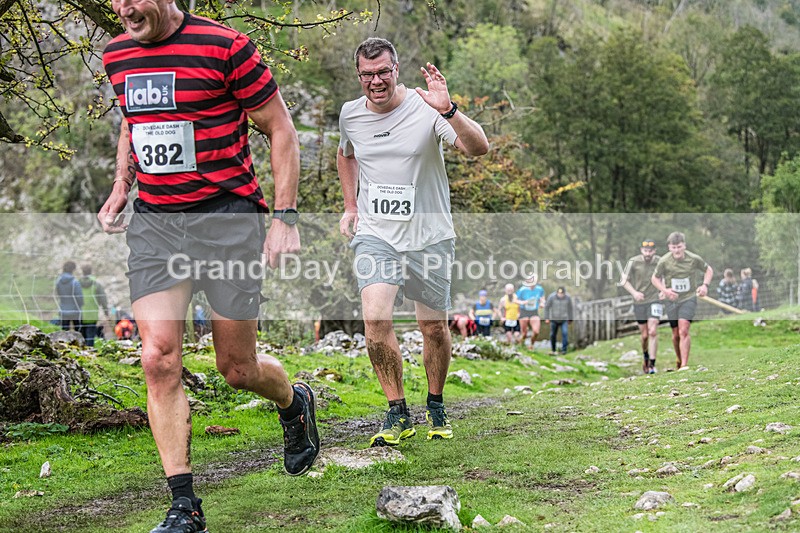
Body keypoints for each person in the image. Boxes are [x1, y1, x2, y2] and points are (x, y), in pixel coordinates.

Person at [99, 1, 319, 530]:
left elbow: (281, 128)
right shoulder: (116, 55)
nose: (125, 6)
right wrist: (122, 185)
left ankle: (293, 402)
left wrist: (284, 216)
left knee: (237, 368)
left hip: (226, 222)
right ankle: (183, 506)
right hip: (155, 226)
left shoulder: (227, 47)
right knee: (158, 357)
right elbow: (133, 121)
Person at [337, 37, 488, 447]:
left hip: (430, 236)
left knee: (433, 327)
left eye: (383, 72)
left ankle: (435, 403)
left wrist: (450, 110)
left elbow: (478, 148)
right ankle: (397, 411)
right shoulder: (350, 114)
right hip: (376, 235)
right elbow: (346, 154)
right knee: (376, 321)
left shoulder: (426, 107)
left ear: (396, 69)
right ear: (359, 76)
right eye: (367, 75)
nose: (376, 81)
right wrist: (351, 205)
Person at [651, 232, 713, 370]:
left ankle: (684, 365)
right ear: (669, 247)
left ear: (684, 245)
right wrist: (665, 290)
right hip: (671, 299)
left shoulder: (693, 259)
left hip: (688, 298)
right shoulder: (664, 261)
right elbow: (654, 278)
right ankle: (679, 359)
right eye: (673, 247)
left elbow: (708, 270)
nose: (677, 250)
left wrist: (705, 285)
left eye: (679, 247)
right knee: (675, 334)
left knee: (683, 330)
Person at [620, 239, 662, 374]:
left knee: (653, 331)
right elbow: (623, 280)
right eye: (645, 251)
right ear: (641, 250)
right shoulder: (633, 261)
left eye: (650, 251)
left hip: (655, 299)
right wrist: (634, 293)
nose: (648, 253)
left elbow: (667, 276)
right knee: (644, 335)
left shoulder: (660, 261)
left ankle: (652, 364)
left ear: (654, 251)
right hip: (639, 301)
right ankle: (645, 356)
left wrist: (663, 290)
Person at [79, 264, 110, 347]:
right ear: (91, 271)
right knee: (90, 336)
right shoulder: (96, 284)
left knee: (81, 335)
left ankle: (81, 354)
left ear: (82, 272)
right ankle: (90, 355)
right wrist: (106, 312)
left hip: (80, 314)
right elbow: (103, 299)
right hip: (92, 314)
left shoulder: (77, 283)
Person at [515, 274, 546, 348]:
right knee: (524, 333)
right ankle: (521, 345)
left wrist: (542, 303)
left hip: (534, 311)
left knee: (536, 331)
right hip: (524, 311)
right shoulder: (522, 290)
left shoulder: (540, 289)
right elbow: (515, 300)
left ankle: (531, 345)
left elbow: (542, 299)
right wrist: (522, 302)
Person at [55, 261, 83, 332]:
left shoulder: (58, 281)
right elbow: (79, 296)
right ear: (73, 269)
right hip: (75, 310)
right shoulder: (75, 282)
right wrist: (81, 304)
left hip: (63, 310)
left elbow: (58, 293)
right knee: (78, 331)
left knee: (64, 332)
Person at [544, 286, 573, 354]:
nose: (560, 295)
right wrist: (547, 318)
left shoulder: (568, 298)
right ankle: (553, 349)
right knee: (553, 334)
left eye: (562, 294)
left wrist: (570, 318)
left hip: (564, 319)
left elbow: (570, 309)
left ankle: (564, 350)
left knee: (565, 333)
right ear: (557, 293)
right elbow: (547, 308)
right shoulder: (551, 297)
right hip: (554, 319)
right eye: (559, 293)